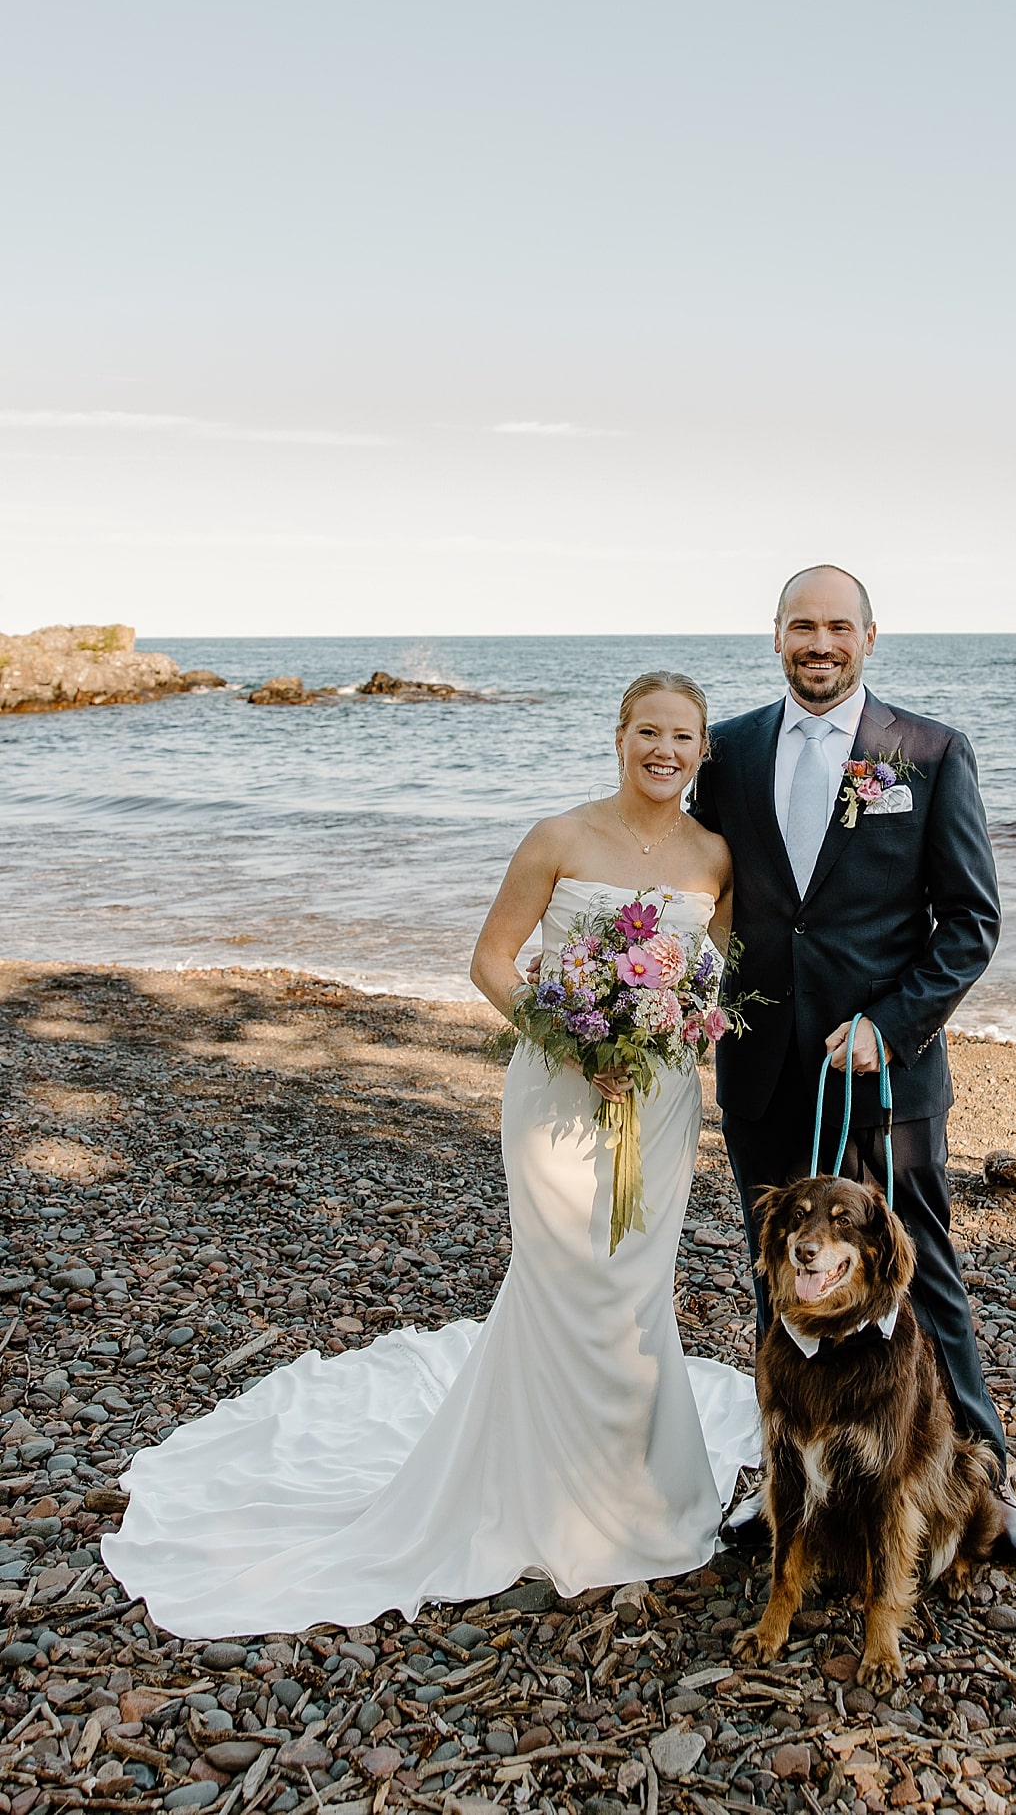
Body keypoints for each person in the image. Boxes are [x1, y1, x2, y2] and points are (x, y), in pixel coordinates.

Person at [102, 672, 760, 1636]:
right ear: (619, 736)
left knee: (632, 1288)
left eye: (684, 736)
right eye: (647, 731)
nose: (665, 749)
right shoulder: (559, 837)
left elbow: (712, 981)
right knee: (563, 1280)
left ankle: (636, 1496)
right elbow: (491, 959)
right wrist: (576, 1035)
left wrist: (670, 1034)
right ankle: (533, 1497)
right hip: (558, 1082)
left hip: (657, 1100)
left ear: (704, 751)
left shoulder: (716, 856)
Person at [691, 566, 1016, 1560]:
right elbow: (705, 892)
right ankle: (786, 1486)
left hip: (884, 1072)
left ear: (870, 638)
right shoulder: (732, 753)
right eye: (803, 625)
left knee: (919, 1273)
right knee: (778, 1277)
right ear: (775, 635)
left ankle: (984, 1476)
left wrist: (894, 1021)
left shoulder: (927, 753)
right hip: (762, 1067)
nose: (820, 642)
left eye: (839, 626)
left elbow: (970, 922)